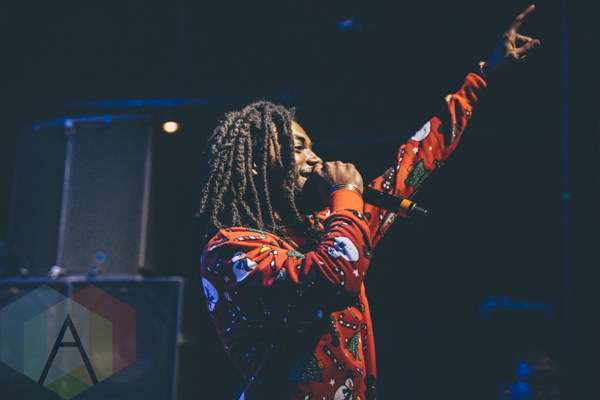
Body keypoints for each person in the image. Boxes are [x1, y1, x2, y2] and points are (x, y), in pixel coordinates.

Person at [197, 5, 540, 399]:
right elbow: (334, 278)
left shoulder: (326, 227)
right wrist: (345, 195)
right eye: (298, 147)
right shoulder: (230, 249)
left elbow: (414, 163)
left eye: (312, 147)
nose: (315, 158)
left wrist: (481, 79)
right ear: (256, 164)